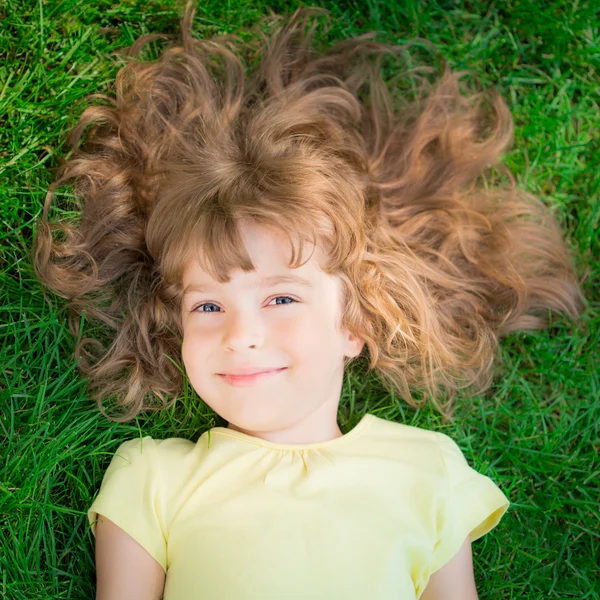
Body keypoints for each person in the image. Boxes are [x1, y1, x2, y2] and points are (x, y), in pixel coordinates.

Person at [32, 2, 584, 599]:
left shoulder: (429, 472)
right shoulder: (153, 478)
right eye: (208, 306)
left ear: (354, 323)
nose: (240, 334)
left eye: (281, 299)